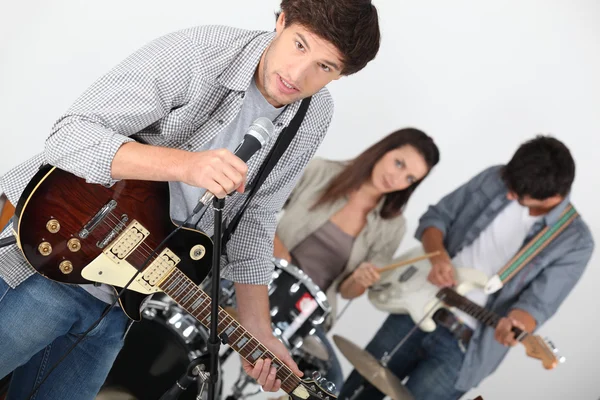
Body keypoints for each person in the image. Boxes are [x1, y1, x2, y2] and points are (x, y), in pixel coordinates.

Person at [0, 1, 381, 398]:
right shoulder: (202, 52)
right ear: (281, 21)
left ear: (340, 75)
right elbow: (71, 136)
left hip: (123, 301)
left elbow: (257, 220)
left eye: (325, 67)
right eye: (299, 45)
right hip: (55, 251)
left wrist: (260, 332)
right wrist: (187, 166)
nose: (298, 75)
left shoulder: (313, 116)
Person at [338, 135, 594, 400]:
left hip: (463, 352)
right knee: (354, 394)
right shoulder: (497, 177)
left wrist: (516, 324)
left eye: (517, 196)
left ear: (552, 198)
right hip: (417, 306)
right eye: (509, 185)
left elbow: (538, 305)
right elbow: (437, 218)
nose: (507, 193)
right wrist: (439, 258)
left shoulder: (575, 243)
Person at [273, 128, 440, 392]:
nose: (396, 178)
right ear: (384, 149)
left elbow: (348, 291)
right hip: (260, 279)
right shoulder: (320, 171)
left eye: (409, 178)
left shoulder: (393, 226)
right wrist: (277, 248)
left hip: (306, 313)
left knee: (329, 386)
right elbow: (258, 210)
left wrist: (360, 281)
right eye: (399, 163)